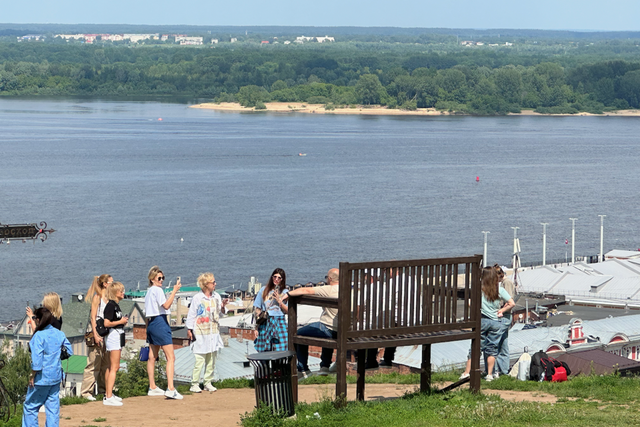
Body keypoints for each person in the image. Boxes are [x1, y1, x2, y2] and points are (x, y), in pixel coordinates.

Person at [459, 266, 515, 382]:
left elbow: (470, 304)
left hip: (482, 320)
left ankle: (466, 372)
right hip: (495, 321)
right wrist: (501, 311)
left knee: (476, 348)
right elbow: (511, 303)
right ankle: (489, 374)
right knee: (492, 348)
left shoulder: (479, 289)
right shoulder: (499, 290)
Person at [283, 268, 339, 377]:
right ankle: (325, 366)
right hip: (345, 330)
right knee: (327, 333)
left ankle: (303, 368)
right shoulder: (348, 289)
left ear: (330, 279)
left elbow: (307, 290)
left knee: (299, 333)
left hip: (329, 329)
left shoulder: (329, 289)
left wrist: (288, 294)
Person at [22, 307, 73, 427]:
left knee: (30, 407)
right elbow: (69, 351)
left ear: (38, 320)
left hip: (41, 378)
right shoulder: (59, 333)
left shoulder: (38, 336)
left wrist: (32, 375)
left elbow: (37, 362)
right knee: (53, 409)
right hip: (56, 376)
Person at [185, 272, 228, 393]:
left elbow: (221, 313)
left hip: (213, 332)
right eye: (213, 282)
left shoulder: (216, 297)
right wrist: (189, 329)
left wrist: (223, 306)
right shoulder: (197, 298)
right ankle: (194, 383)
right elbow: (192, 314)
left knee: (212, 359)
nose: (215, 284)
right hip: (200, 332)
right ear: (206, 284)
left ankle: (208, 382)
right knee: (199, 359)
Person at [144, 266, 182, 399]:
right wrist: (174, 292)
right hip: (160, 322)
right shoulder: (157, 290)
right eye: (159, 278)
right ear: (152, 279)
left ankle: (152, 386)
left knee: (152, 356)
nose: (161, 280)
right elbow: (166, 305)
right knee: (170, 357)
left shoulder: (148, 292)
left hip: (151, 323)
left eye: (162, 278)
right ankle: (170, 388)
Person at [80, 274, 113, 401]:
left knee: (106, 363)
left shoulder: (109, 298)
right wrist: (95, 334)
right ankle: (86, 391)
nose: (112, 284)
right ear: (105, 284)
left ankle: (104, 389)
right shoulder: (97, 297)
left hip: (107, 333)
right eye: (111, 282)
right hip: (98, 332)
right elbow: (93, 317)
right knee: (94, 363)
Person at [103, 282, 129, 406]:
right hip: (113, 335)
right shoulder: (110, 305)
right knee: (114, 366)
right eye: (120, 291)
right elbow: (106, 323)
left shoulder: (116, 306)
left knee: (111, 366)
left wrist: (122, 322)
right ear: (115, 293)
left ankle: (109, 393)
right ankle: (108, 396)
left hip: (117, 333)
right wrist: (120, 321)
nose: (123, 293)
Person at [253, 268, 289, 353]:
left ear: (282, 280)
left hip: (279, 321)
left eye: (279, 278)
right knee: (264, 349)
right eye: (274, 277)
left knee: (281, 347)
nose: (276, 279)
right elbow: (257, 309)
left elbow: (288, 311)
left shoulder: (285, 292)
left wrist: (279, 301)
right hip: (266, 320)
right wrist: (256, 327)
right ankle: (265, 366)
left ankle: (279, 366)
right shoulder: (264, 290)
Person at [495, 265, 516, 376]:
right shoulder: (503, 283)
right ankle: (503, 369)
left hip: (504, 315)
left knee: (497, 340)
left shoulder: (506, 283)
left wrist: (500, 310)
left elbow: (509, 300)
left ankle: (499, 369)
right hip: (505, 314)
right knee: (503, 342)